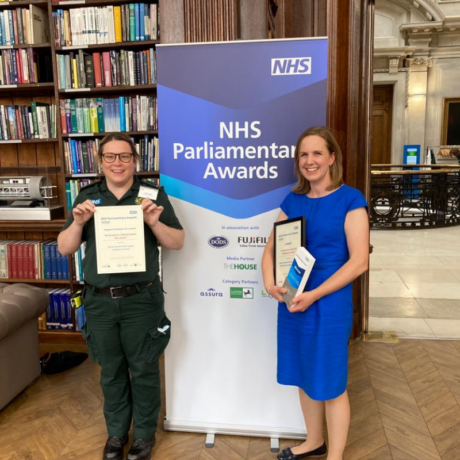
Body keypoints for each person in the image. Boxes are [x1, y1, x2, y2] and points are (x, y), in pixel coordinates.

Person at [58, 133, 185, 460]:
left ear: (135, 161)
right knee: (111, 370)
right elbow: (65, 247)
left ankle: (143, 436)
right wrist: (77, 222)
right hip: (99, 301)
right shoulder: (87, 197)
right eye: (110, 157)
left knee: (143, 369)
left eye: (124, 156)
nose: (118, 163)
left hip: (141, 301)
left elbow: (177, 241)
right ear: (100, 161)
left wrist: (154, 223)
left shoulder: (152, 195)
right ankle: (116, 434)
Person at [262, 127, 369, 460]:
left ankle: (334, 456)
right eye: (303, 155)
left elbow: (359, 262)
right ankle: (313, 441)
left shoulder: (351, 199)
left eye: (317, 153)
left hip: (328, 303)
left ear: (332, 157)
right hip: (294, 301)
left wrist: (315, 294)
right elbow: (270, 250)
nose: (310, 161)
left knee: (331, 380)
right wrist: (270, 284)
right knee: (304, 373)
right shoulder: (292, 200)